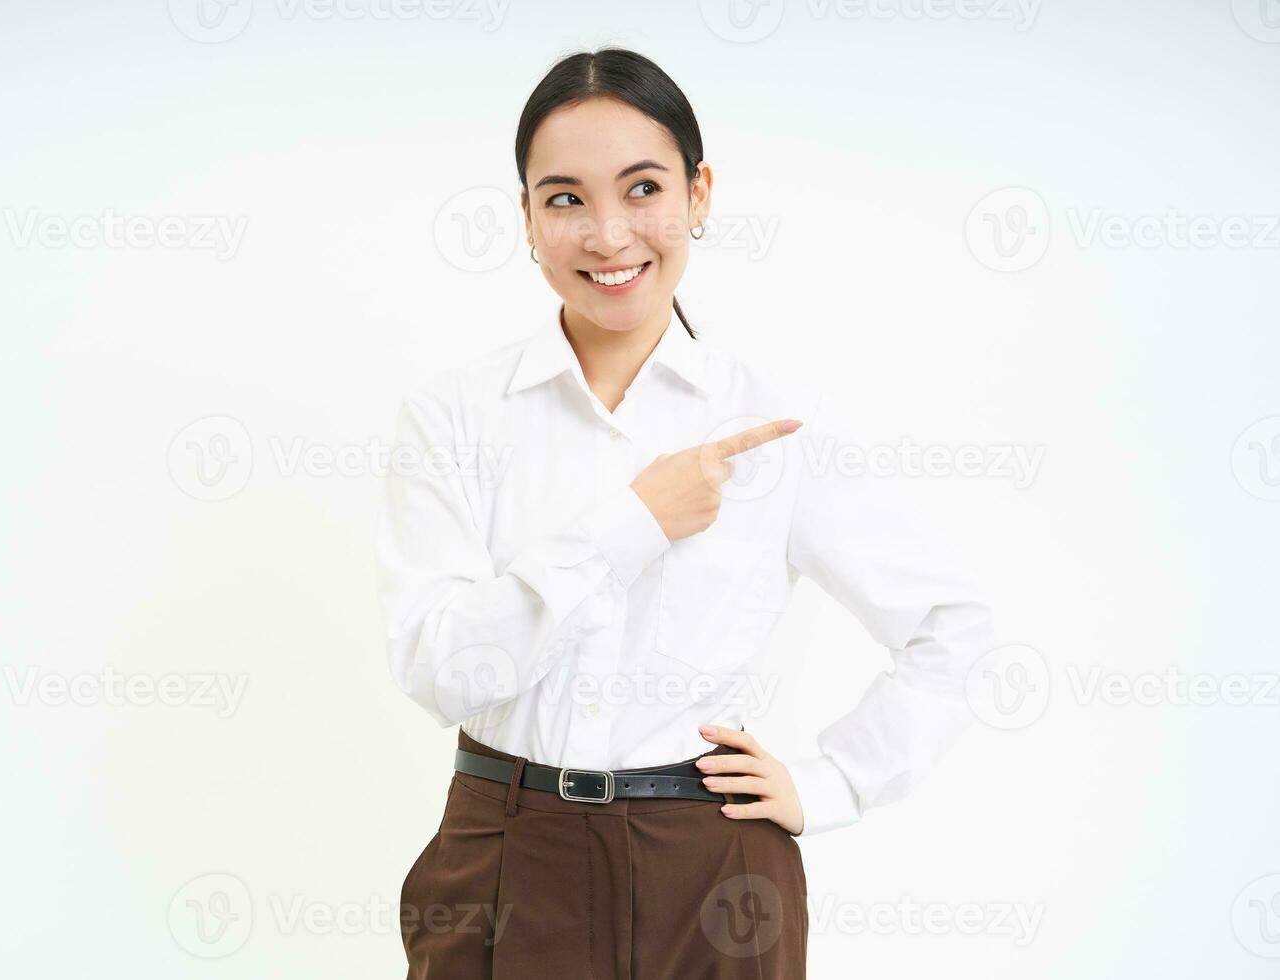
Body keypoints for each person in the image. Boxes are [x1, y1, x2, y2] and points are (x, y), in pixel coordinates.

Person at [373, 46, 998, 979]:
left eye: (643, 188)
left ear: (699, 196)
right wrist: (634, 524)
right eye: (566, 198)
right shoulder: (455, 418)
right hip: (504, 854)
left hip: (713, 869)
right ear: (528, 219)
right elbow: (438, 671)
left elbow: (955, 631)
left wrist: (828, 786)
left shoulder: (775, 423)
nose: (609, 234)